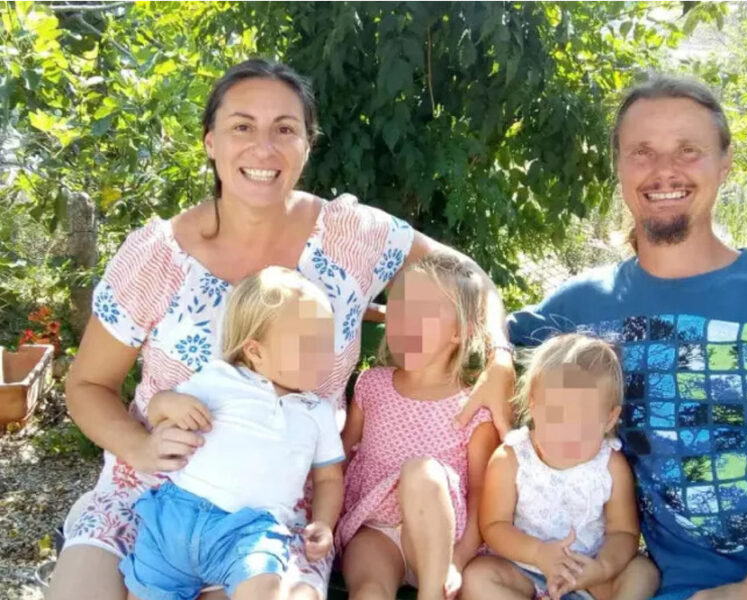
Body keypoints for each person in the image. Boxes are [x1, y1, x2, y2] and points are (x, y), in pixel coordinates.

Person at [50, 58, 515, 600]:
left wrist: (500, 356)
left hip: (275, 521)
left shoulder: (351, 237)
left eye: (285, 129)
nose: (263, 149)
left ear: (307, 144)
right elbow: (86, 387)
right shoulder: (157, 255)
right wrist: (141, 446)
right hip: (146, 494)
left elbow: (468, 276)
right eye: (242, 126)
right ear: (210, 141)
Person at [507, 76, 747, 600]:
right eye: (641, 151)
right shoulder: (579, 308)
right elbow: (473, 322)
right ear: (618, 166)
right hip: (684, 586)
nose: (663, 170)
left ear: (724, 161)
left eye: (688, 151)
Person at [121, 267, 343, 600]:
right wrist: (172, 403)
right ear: (255, 351)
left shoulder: (317, 412)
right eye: (307, 345)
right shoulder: (217, 379)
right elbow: (155, 409)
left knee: (264, 589)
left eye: (325, 343)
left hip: (250, 533)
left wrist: (324, 524)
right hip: (176, 516)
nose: (323, 356)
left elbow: (329, 479)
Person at [338, 253, 500, 600]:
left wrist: (458, 558)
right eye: (398, 311)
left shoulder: (472, 406)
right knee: (367, 592)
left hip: (437, 541)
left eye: (423, 314)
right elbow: (339, 460)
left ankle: (431, 594)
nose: (405, 323)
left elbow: (481, 499)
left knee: (422, 472)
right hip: (374, 529)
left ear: (461, 331)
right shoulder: (372, 385)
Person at [463, 333, 659, 600]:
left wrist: (602, 568)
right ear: (533, 403)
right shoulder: (511, 457)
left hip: (589, 571)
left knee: (642, 573)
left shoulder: (610, 464)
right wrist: (538, 554)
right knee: (477, 577)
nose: (567, 431)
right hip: (525, 569)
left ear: (609, 418)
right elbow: (494, 525)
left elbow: (623, 532)